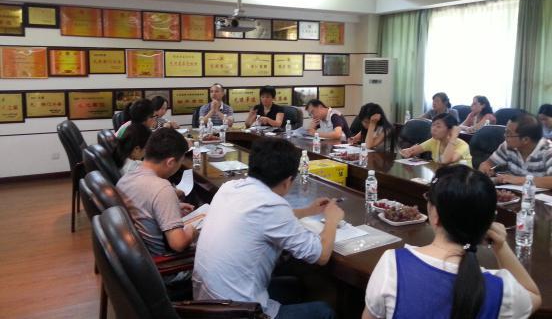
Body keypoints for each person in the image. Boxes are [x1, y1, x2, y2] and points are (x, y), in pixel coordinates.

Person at [362, 165, 541, 319]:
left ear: (435, 214)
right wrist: (501, 247)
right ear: (489, 221)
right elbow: (533, 296)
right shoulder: (503, 291)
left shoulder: (393, 265)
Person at [193, 138, 343, 319]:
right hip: (239, 312)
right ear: (288, 181)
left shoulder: (230, 187)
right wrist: (332, 220)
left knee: (295, 285)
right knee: (324, 311)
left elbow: (263, 219)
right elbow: (321, 256)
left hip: (205, 305)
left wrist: (308, 211)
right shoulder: (272, 206)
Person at [116, 128, 196, 257]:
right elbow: (178, 244)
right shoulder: (162, 188)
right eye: (180, 162)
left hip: (136, 256)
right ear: (170, 162)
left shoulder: (125, 178)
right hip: (162, 263)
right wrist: (191, 230)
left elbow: (143, 207)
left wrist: (173, 206)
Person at [479, 113, 552, 188]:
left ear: (525, 140)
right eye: (505, 132)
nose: (504, 136)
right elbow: (488, 163)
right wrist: (485, 167)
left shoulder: (548, 150)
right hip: (513, 192)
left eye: (508, 133)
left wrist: (518, 180)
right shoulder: (507, 146)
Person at [400, 113, 472, 166]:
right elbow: (414, 151)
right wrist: (408, 151)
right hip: (444, 177)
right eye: (433, 125)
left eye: (438, 126)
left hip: (463, 180)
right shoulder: (434, 141)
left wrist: (453, 137)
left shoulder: (462, 146)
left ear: (450, 130)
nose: (433, 129)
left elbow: (445, 161)